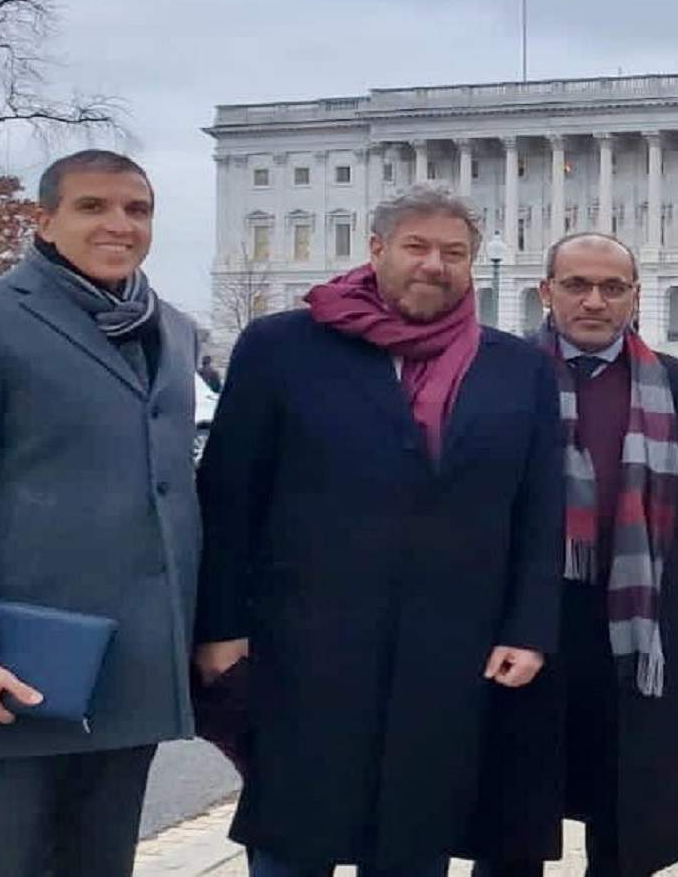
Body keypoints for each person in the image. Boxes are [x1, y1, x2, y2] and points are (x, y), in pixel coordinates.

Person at [195, 186, 563, 877]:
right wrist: (218, 628)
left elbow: (539, 507)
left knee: (414, 841)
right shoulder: (283, 346)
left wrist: (528, 628)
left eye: (454, 253)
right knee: (292, 839)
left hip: (447, 649)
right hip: (302, 644)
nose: (435, 265)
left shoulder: (516, 367)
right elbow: (229, 495)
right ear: (376, 250)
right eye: (417, 247)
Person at [0, 149, 200, 877]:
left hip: (134, 669)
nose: (118, 224)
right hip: (19, 664)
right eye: (92, 207)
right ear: (44, 221)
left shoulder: (171, 329)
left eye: (136, 210)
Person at [468, 232, 678, 877]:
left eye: (612, 288)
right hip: (527, 625)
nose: (594, 301)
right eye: (577, 285)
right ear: (545, 291)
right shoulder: (495, 376)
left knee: (628, 825)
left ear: (635, 297)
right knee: (512, 821)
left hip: (638, 629)